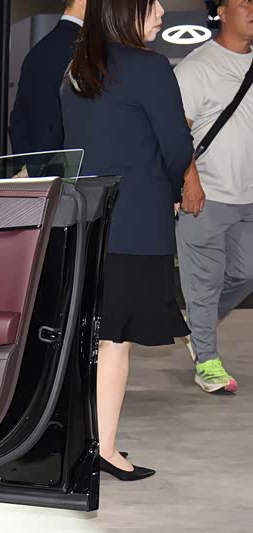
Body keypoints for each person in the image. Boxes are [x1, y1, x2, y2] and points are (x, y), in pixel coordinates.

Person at [61, 0, 194, 480]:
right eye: (151, 3)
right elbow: (176, 149)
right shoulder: (149, 68)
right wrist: (173, 187)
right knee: (115, 341)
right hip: (136, 224)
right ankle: (105, 448)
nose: (160, 11)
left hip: (86, 222)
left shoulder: (76, 72)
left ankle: (86, 442)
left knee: (93, 337)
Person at [174, 0, 253, 394]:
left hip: (248, 195)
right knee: (204, 283)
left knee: (246, 272)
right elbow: (175, 132)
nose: (252, 8)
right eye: (244, 1)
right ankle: (206, 361)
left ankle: (196, 329)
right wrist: (188, 181)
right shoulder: (197, 67)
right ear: (221, 11)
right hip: (205, 194)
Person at [10, 0, 86, 156]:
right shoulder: (88, 53)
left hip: (38, 164)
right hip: (72, 166)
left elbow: (18, 122)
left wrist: (29, 166)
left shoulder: (36, 53)